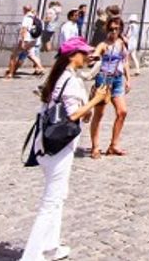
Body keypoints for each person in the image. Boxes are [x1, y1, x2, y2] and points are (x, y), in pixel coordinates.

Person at [20, 36, 109, 261]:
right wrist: (95, 99)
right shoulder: (69, 80)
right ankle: (31, 255)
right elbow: (72, 115)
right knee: (51, 201)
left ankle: (51, 246)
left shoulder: (61, 76)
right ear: (72, 56)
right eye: (84, 53)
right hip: (58, 147)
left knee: (59, 195)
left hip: (52, 143)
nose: (88, 56)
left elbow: (78, 114)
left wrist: (88, 104)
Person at [89, 15, 132, 157]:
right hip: (104, 80)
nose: (114, 31)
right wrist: (94, 56)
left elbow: (125, 61)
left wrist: (128, 78)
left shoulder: (123, 43)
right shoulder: (104, 44)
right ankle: (95, 147)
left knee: (122, 112)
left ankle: (114, 145)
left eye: (117, 29)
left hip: (118, 79)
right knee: (99, 114)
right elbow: (96, 53)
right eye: (111, 29)